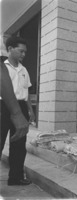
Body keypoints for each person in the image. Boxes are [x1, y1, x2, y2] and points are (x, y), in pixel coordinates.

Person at [1, 36, 35, 186]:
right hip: (3, 107)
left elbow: (26, 91)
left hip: (20, 107)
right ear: (10, 49)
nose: (23, 55)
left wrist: (30, 110)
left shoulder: (24, 69)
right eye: (21, 51)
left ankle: (15, 178)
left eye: (25, 52)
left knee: (19, 146)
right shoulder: (2, 66)